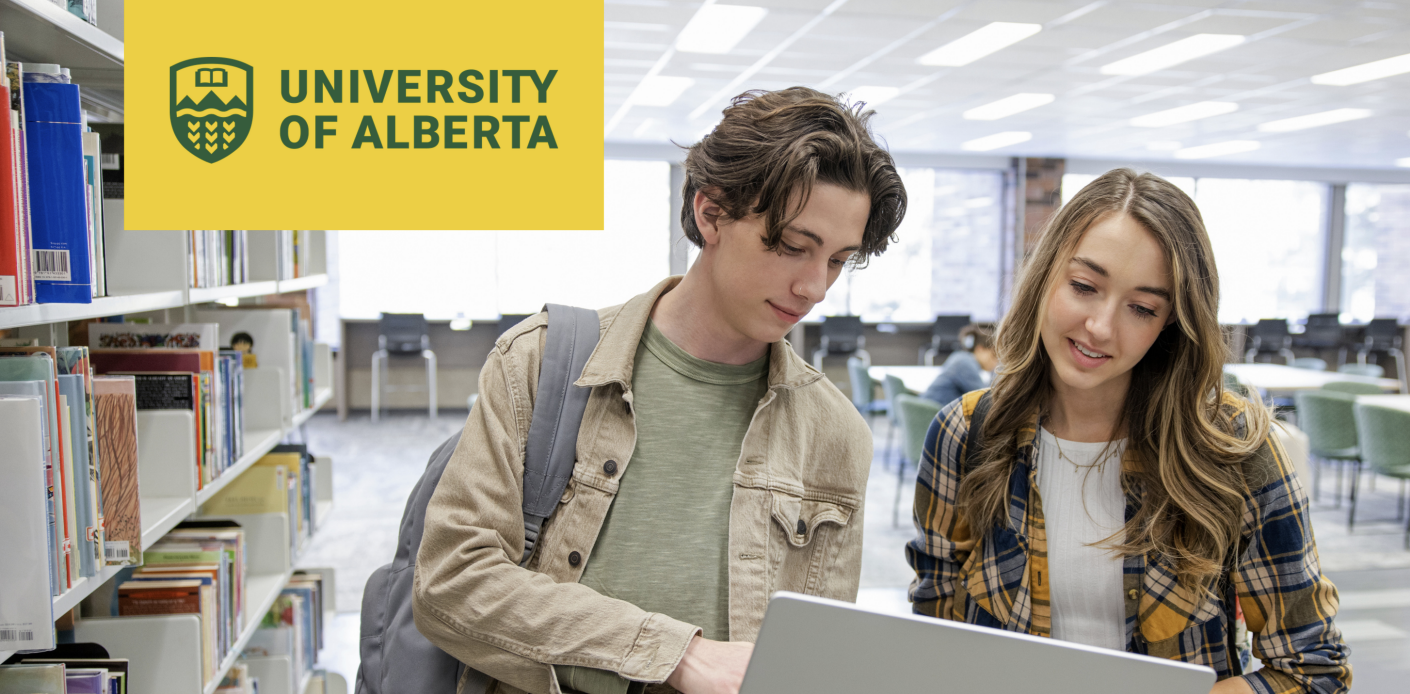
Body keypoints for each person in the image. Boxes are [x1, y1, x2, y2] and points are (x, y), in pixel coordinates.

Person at [412, 87, 906, 694]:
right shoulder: (541, 362)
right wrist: (676, 655)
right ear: (711, 213)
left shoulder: (835, 435)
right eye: (793, 246)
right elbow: (451, 583)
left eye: (837, 260)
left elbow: (811, 658)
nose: (814, 287)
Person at [905, 169, 1350, 694]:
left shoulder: (1231, 451)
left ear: (1171, 323)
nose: (1100, 327)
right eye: (1084, 286)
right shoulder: (965, 434)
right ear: (1046, 275)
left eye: (1141, 308)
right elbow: (934, 641)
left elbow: (1313, 672)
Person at [921, 323, 997, 405]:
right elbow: (985, 398)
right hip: (934, 411)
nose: (996, 361)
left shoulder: (961, 357)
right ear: (980, 349)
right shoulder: (966, 363)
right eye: (994, 355)